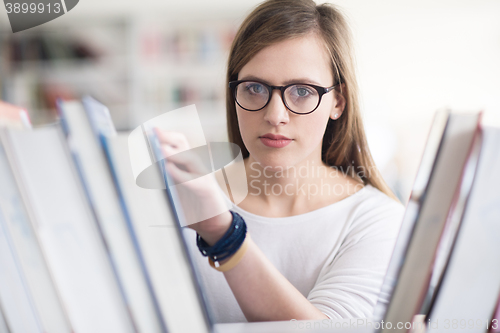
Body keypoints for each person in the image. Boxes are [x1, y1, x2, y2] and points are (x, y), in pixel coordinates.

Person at [155, 0, 405, 323]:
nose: (275, 116)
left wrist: (224, 234)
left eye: (302, 91)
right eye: (255, 88)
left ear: (338, 102)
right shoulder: (179, 200)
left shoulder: (377, 220)